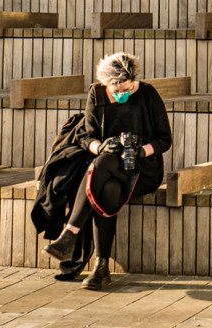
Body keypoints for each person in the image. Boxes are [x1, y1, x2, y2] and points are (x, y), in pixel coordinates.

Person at [42, 52, 172, 289]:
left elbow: (165, 139)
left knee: (102, 163)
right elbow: (87, 136)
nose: (121, 93)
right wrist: (99, 146)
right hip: (107, 168)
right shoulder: (97, 93)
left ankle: (69, 234)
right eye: (116, 89)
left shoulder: (148, 94)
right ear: (105, 84)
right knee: (109, 188)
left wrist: (142, 150)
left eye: (126, 88)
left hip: (142, 169)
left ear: (134, 80)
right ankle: (101, 267)